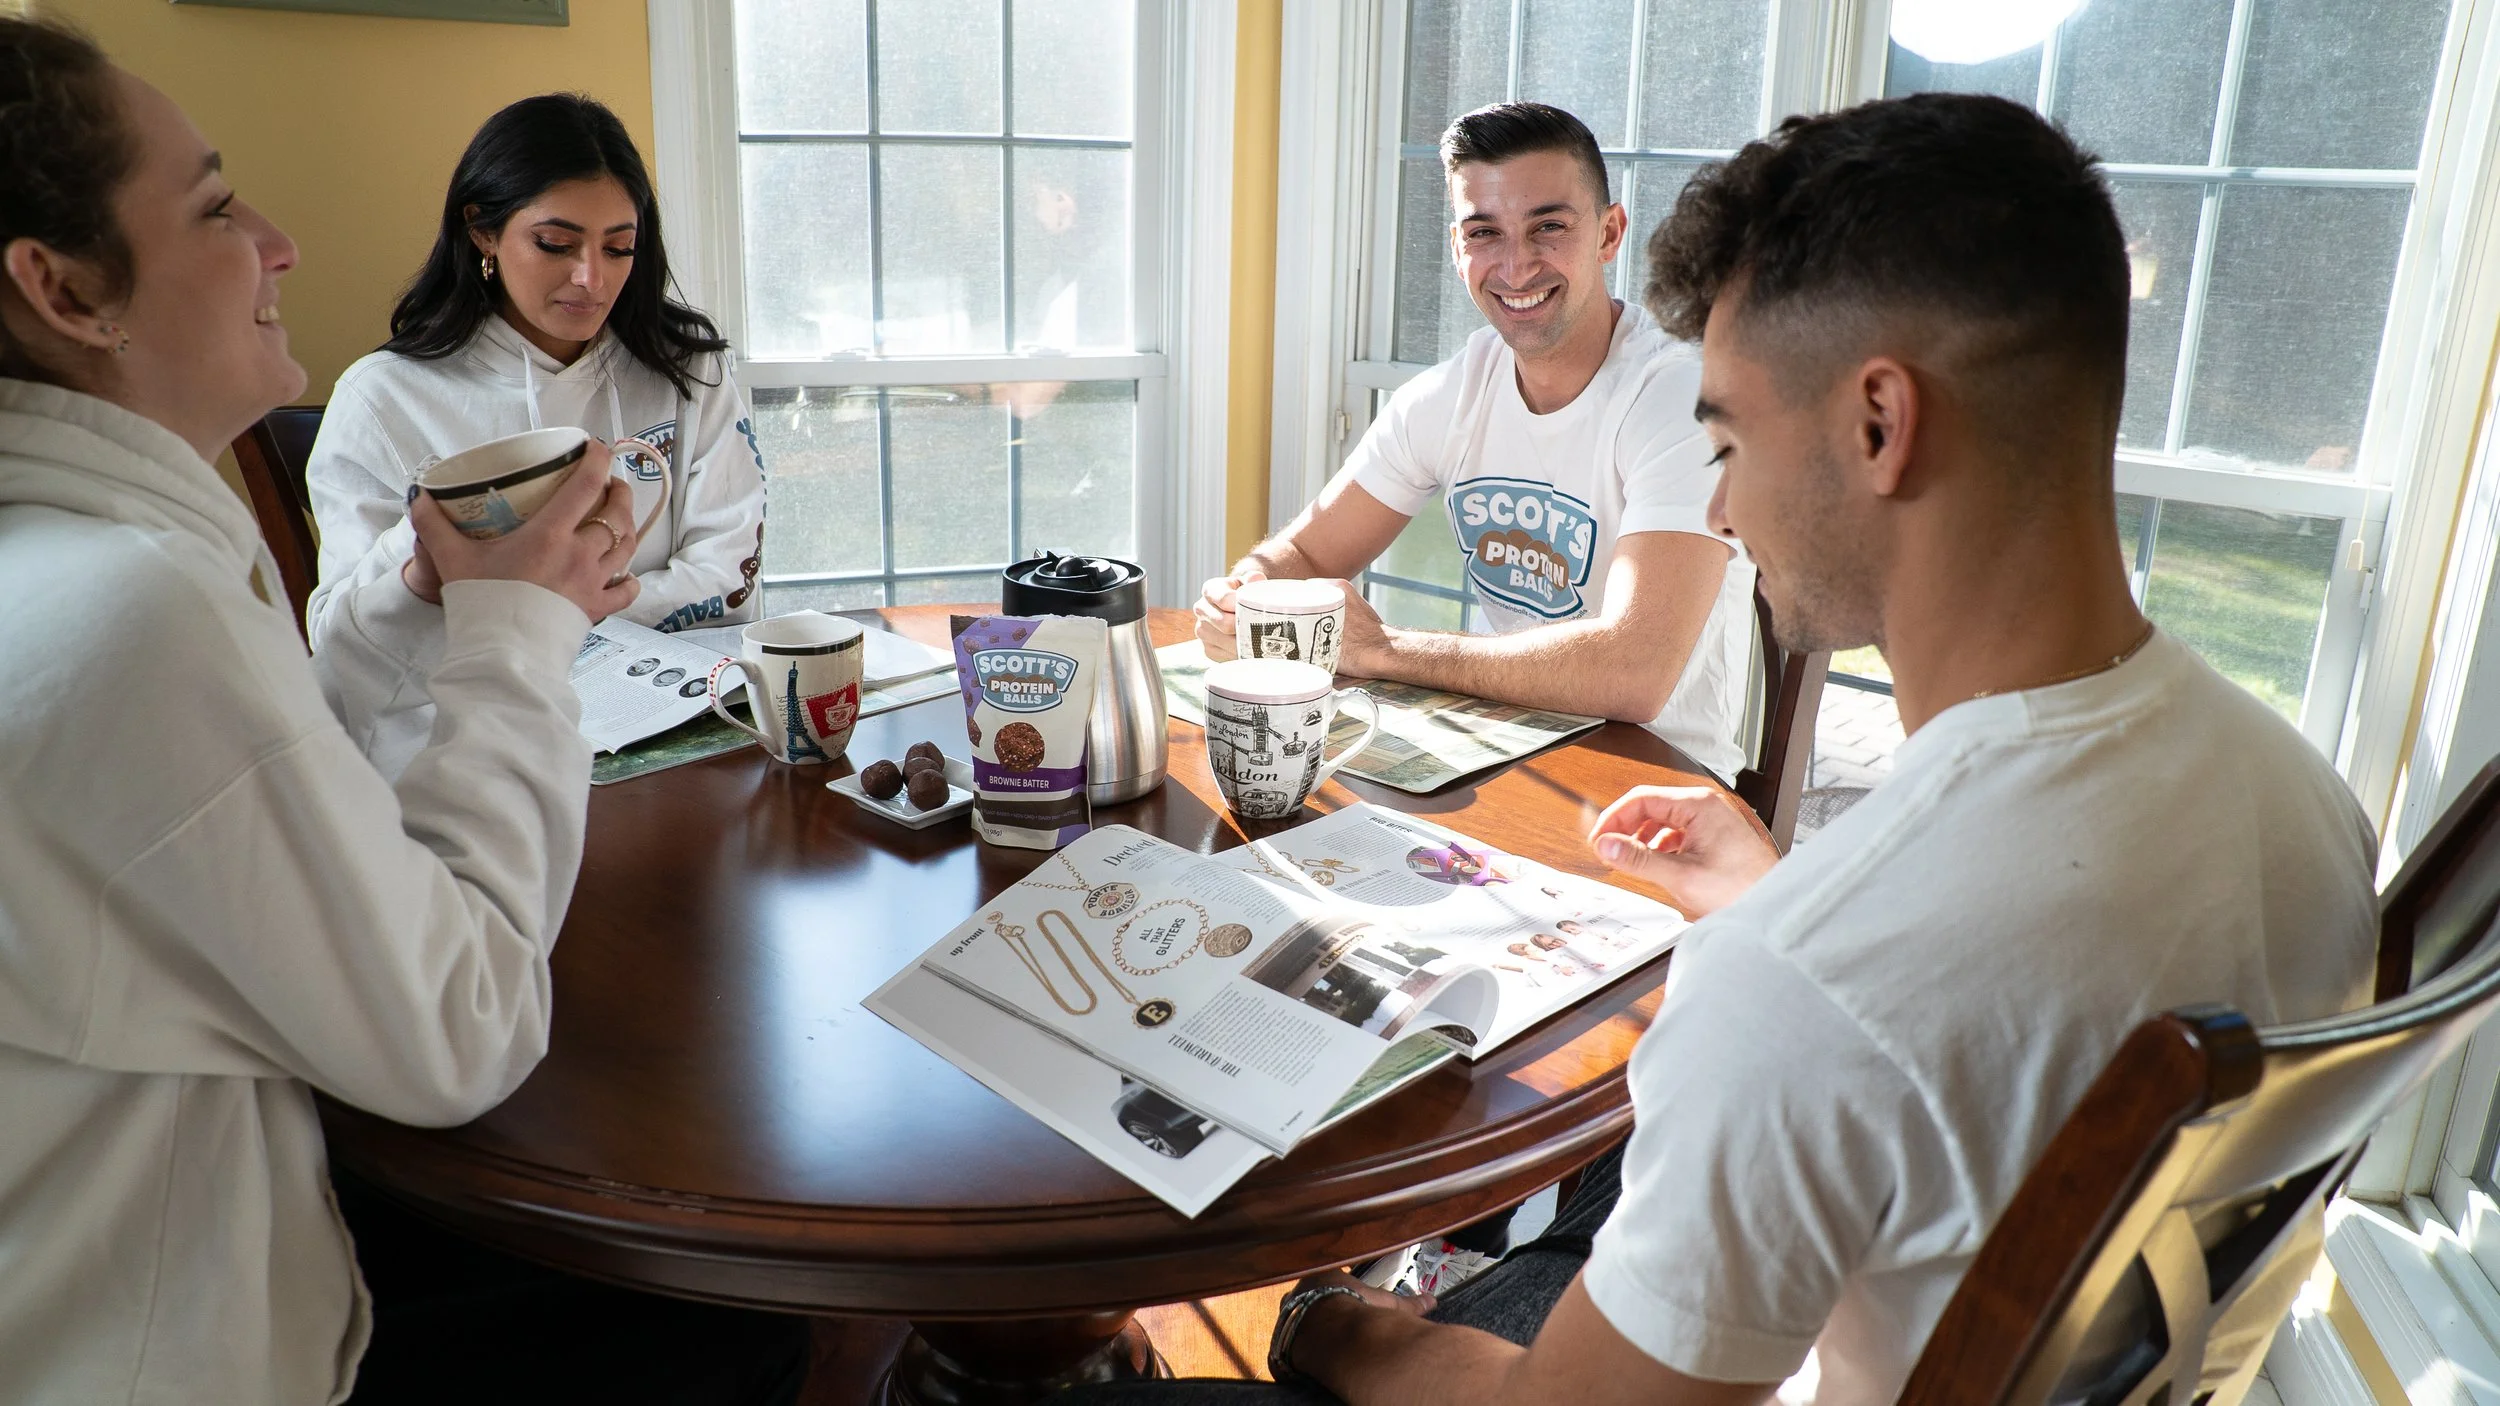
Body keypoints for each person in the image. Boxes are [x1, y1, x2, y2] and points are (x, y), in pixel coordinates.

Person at [1061, 93, 2377, 1406]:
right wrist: (1777, 894)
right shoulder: (2311, 805)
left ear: (1879, 423)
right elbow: (1975, 1051)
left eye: (1731, 439)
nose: (1727, 511)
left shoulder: (1805, 984)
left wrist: (1333, 1324)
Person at [0, 20, 803, 1403]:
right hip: (210, 1340)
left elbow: (271, 748)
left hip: (210, 1211)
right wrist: (519, 628)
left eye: (619, 246)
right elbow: (468, 1029)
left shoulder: (100, 571)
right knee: (750, 1308)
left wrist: (410, 593)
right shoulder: (131, 613)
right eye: (212, 202)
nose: (279, 240)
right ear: (65, 287)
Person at [1197, 102, 1754, 781]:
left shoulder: (1677, 398)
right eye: (1484, 232)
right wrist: (1246, 594)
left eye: (1548, 226)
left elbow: (1633, 672)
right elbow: (1309, 552)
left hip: (1662, 786)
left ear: (1609, 233)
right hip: (1497, 753)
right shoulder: (1450, 395)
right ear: (1458, 249)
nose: (1516, 266)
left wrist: (1384, 649)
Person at [307, 93, 767, 779]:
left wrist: (544, 617)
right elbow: (344, 644)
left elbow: (731, 581)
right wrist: (441, 532)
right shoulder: (383, 398)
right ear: (483, 231)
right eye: (555, 244)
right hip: (466, 747)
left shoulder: (686, 369)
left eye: (620, 248)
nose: (593, 278)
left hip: (683, 724)